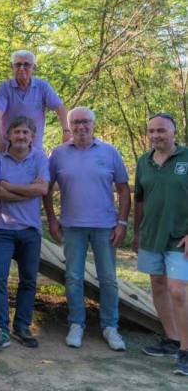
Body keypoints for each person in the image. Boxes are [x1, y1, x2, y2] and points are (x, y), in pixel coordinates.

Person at [44, 107, 130, 351]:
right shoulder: (58, 154)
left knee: (108, 279)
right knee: (73, 277)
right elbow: (46, 189)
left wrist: (122, 223)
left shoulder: (109, 151)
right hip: (72, 226)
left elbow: (124, 190)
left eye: (85, 122)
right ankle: (76, 324)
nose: (81, 127)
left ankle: (110, 326)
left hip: (105, 227)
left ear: (93, 124)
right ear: (69, 126)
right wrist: (51, 219)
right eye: (76, 122)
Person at [0, 116, 49, 352]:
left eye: (25, 132)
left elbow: (42, 189)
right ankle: (0, 329)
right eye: (17, 132)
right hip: (2, 229)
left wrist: (8, 186)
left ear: (32, 136)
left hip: (30, 230)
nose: (21, 136)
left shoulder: (40, 158)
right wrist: (27, 193)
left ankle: (22, 326)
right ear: (8, 135)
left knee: (28, 280)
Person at [133, 113, 188, 376]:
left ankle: (186, 352)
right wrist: (136, 233)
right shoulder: (144, 162)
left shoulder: (186, 158)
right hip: (151, 236)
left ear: (174, 132)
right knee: (158, 284)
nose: (156, 135)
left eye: (161, 131)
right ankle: (171, 339)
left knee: (179, 291)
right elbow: (139, 200)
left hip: (180, 237)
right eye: (152, 131)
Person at [0, 50, 69, 152]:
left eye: (27, 65)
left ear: (34, 67)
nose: (22, 68)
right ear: (12, 67)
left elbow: (60, 108)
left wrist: (67, 131)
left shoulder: (42, 86)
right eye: (18, 64)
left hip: (35, 151)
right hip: (8, 150)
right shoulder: (5, 88)